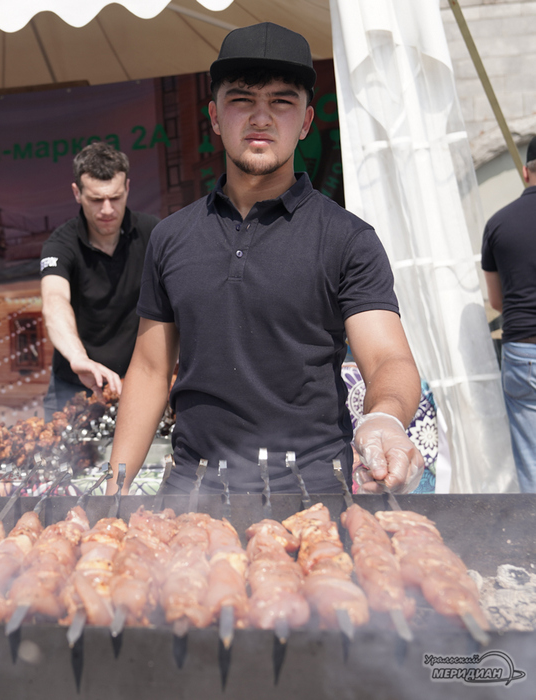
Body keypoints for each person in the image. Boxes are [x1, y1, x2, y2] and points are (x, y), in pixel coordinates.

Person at [108, 22, 424, 495]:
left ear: (306, 121)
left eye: (281, 101)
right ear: (214, 117)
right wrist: (114, 492)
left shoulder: (347, 238)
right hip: (192, 490)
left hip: (315, 491)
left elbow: (388, 359)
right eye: (241, 100)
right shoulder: (171, 237)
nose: (261, 117)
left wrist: (383, 417)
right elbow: (151, 371)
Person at [40, 142, 159, 419]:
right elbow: (54, 301)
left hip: (138, 382)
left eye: (115, 197)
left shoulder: (154, 233)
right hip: (74, 385)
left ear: (127, 187)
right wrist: (79, 358)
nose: (107, 209)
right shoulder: (60, 244)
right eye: (96, 199)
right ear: (77, 193)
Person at [481, 137, 536, 493]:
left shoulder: (498, 224)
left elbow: (497, 301)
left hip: (524, 351)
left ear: (525, 171)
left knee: (531, 462)